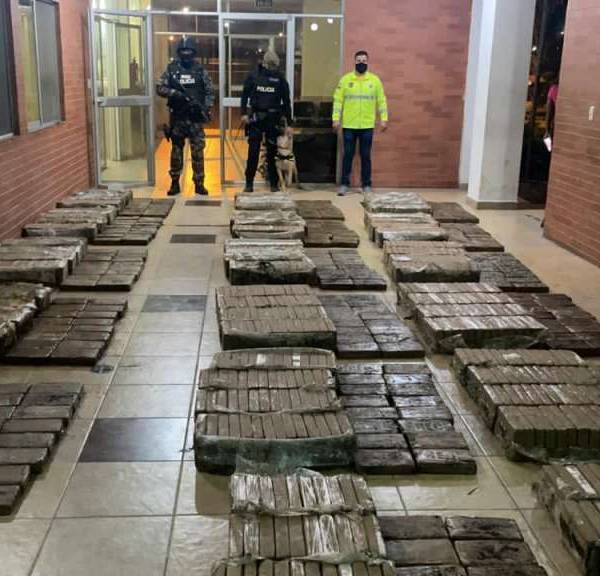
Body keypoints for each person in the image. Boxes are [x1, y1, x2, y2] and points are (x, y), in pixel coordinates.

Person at [157, 37, 214, 196]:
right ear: (179, 52)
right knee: (176, 151)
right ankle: (175, 182)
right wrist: (174, 93)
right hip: (178, 118)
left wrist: (206, 108)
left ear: (193, 52)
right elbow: (160, 87)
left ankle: (199, 183)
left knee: (198, 152)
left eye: (188, 51)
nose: (186, 53)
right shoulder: (172, 70)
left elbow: (209, 91)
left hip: (195, 119)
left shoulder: (200, 70)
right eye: (183, 51)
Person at [332, 50, 388, 196]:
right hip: (349, 125)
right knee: (348, 155)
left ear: (367, 62)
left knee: (365, 156)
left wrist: (384, 119)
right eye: (358, 60)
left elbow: (381, 101)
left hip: (367, 125)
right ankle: (344, 184)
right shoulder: (345, 80)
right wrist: (335, 118)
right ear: (354, 62)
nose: (361, 63)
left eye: (363, 60)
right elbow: (338, 101)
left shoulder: (374, 81)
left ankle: (366, 185)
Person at [241, 50, 292, 193]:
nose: (272, 68)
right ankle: (249, 183)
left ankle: (273, 184)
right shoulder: (254, 76)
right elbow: (244, 95)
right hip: (256, 119)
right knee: (253, 152)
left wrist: (289, 123)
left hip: (272, 119)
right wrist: (243, 113)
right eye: (271, 65)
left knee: (272, 153)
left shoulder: (280, 78)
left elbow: (286, 102)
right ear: (265, 63)